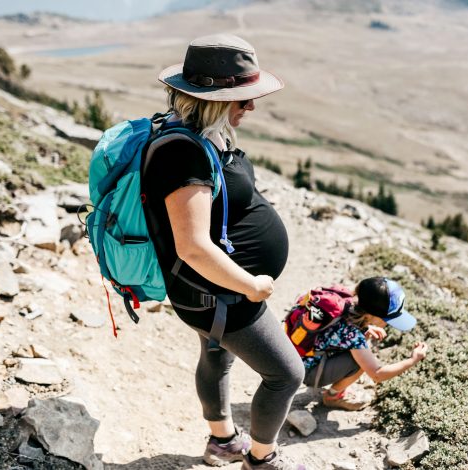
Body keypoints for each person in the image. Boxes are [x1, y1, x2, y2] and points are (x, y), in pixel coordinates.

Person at [142, 35, 308, 470]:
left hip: (212, 294)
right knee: (286, 374)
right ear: (214, 100)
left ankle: (222, 442)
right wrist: (251, 284)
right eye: (242, 99)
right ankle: (261, 458)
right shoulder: (183, 155)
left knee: (217, 355)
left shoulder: (202, 137)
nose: (250, 107)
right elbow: (193, 246)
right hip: (221, 296)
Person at [300, 277, 429, 411]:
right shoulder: (353, 334)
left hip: (299, 352)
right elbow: (377, 374)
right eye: (388, 319)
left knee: (361, 353)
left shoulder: (347, 299)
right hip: (304, 371)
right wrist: (413, 359)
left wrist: (366, 328)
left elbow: (338, 328)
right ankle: (333, 397)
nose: (389, 323)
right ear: (369, 315)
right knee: (360, 363)